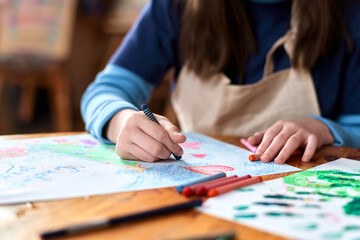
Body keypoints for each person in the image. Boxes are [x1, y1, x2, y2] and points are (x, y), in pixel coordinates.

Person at [81, 0, 360, 164]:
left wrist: (324, 128)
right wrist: (119, 121)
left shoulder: (348, 14)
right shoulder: (175, 7)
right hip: (196, 193)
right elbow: (105, 91)